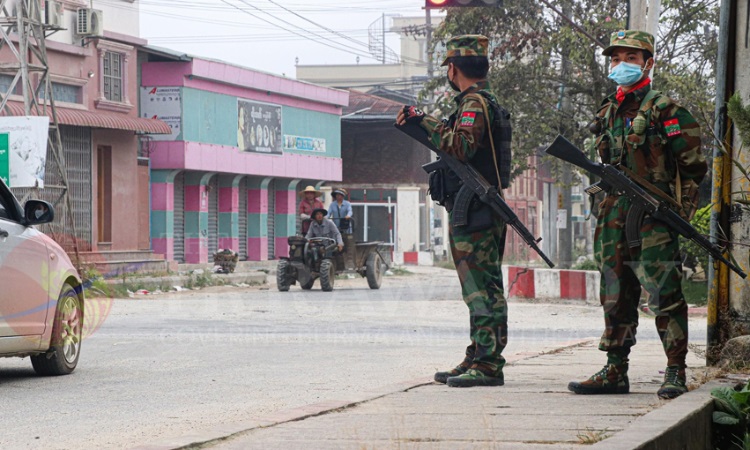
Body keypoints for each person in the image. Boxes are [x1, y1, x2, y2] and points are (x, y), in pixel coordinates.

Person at [568, 30, 707, 400]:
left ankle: (675, 370)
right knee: (614, 291)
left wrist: (679, 213)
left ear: (648, 63)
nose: (621, 65)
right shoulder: (608, 109)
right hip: (613, 212)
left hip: (653, 216)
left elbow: (694, 167)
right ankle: (615, 369)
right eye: (615, 59)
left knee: (665, 292)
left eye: (630, 58)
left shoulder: (666, 109)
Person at [396, 35, 510, 388]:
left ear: (453, 68)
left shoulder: (474, 103)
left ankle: (489, 363)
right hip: (475, 207)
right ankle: (479, 354)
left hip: (477, 208)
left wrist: (424, 120)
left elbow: (459, 146)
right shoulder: (476, 101)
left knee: (482, 288)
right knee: (476, 286)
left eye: (448, 66)